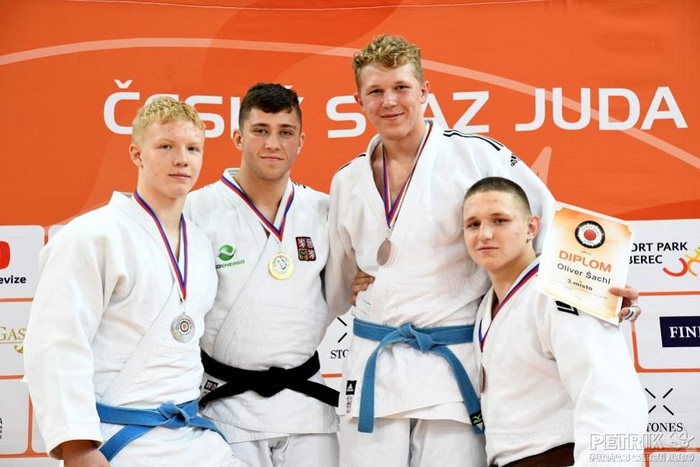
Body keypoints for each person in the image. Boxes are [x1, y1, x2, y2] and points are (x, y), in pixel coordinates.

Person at [325, 34, 641, 467]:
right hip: (374, 367)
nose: (390, 101)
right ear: (358, 100)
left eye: (401, 87)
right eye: (376, 91)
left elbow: (543, 219)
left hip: (450, 368)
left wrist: (600, 291)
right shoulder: (346, 180)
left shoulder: (475, 155)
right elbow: (335, 279)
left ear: (425, 92)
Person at [23, 97, 246, 467]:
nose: (182, 159)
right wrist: (78, 447)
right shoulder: (92, 236)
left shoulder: (200, 244)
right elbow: (56, 342)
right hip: (119, 439)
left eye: (192, 148)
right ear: (137, 154)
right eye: (166, 147)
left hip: (192, 436)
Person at [184, 83, 339, 467]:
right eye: (260, 131)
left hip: (306, 408)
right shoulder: (195, 210)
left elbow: (351, 283)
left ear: (300, 141)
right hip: (227, 406)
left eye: (285, 132)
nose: (273, 143)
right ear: (238, 137)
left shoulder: (323, 211)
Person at [463, 176, 648, 466]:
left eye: (500, 220)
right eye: (473, 224)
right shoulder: (485, 305)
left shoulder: (565, 289)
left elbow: (610, 393)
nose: (484, 234)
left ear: (531, 227)